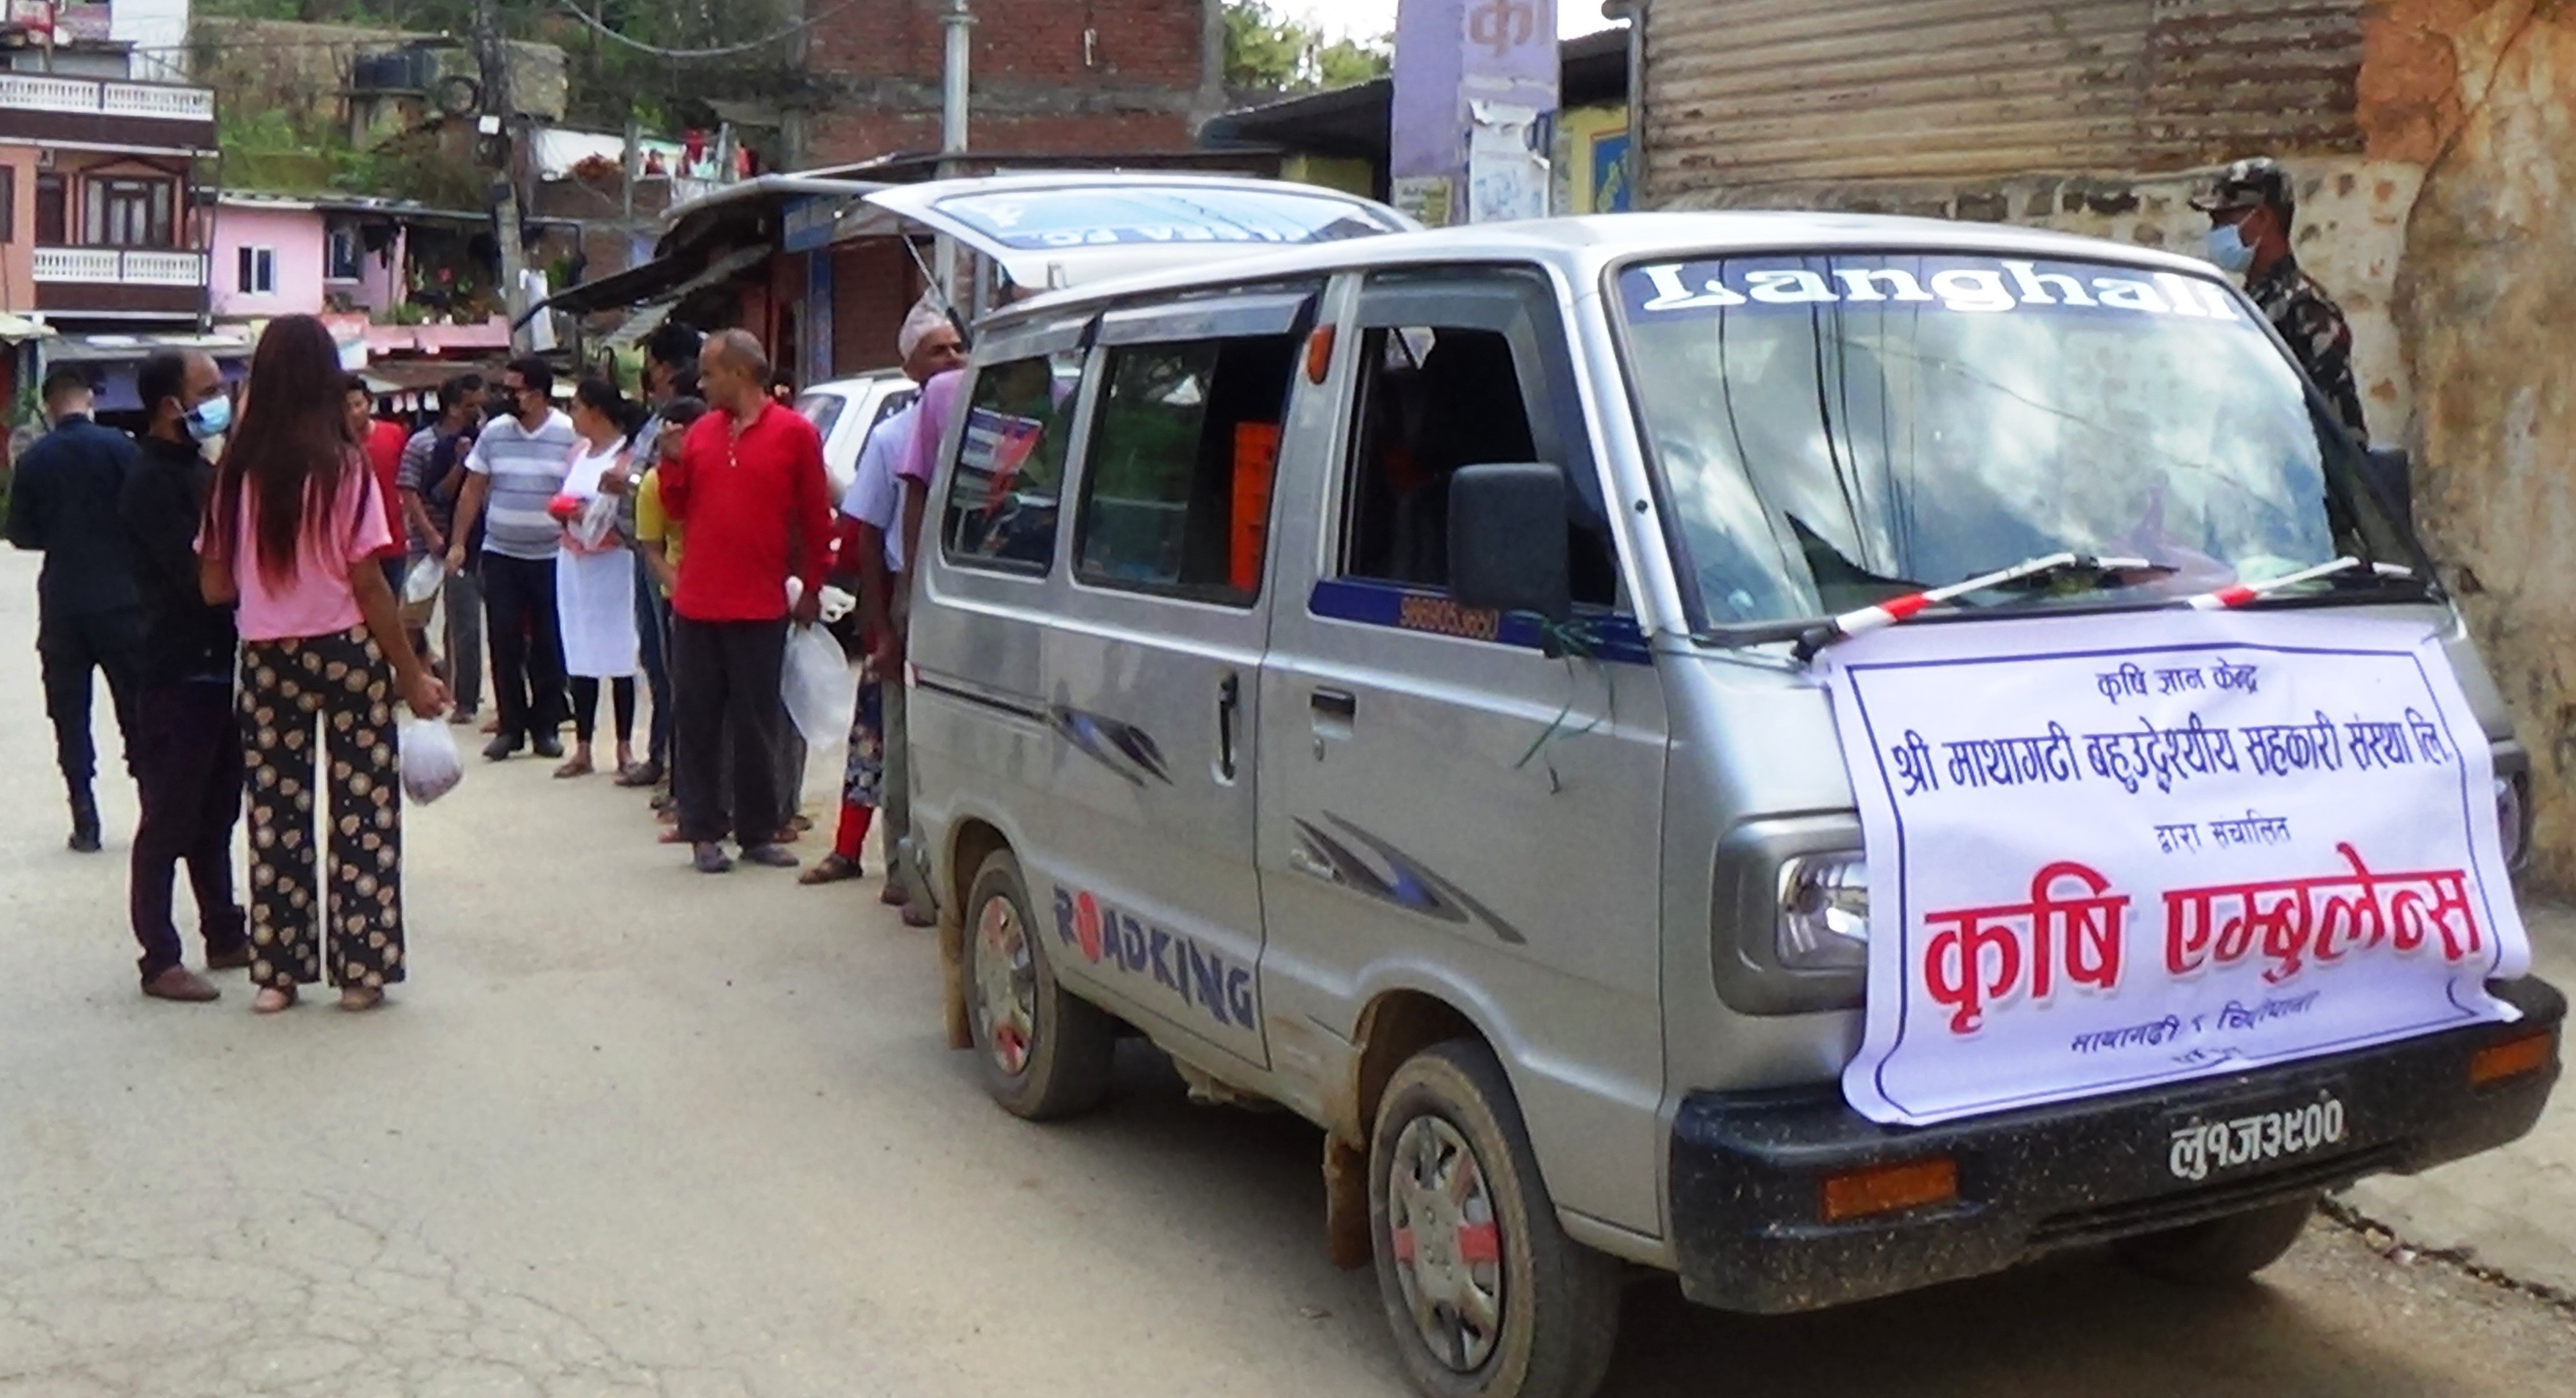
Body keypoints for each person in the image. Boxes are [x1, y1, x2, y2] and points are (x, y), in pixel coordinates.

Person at [199, 315, 448, 1014]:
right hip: (344, 654)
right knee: (362, 811)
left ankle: (277, 975)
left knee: (276, 813)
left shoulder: (232, 475)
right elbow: (367, 580)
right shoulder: (346, 468)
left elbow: (215, 585)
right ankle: (361, 973)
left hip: (266, 658)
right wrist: (409, 671)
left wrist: (270, 582)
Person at [804, 301, 965, 897]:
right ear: (910, 368)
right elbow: (868, 533)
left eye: (956, 348)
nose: (952, 360)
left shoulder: (978, 424)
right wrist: (882, 627)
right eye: (937, 351)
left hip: (959, 600)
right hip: (904, 595)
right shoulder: (893, 436)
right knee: (880, 738)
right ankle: (871, 859)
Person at [659, 330, 830, 874]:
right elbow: (679, 508)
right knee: (698, 719)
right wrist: (671, 465)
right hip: (697, 602)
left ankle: (758, 830)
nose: (702, 384)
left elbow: (813, 513)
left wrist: (812, 585)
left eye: (710, 373)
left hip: (760, 602)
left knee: (757, 722)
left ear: (740, 373)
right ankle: (703, 831)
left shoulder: (795, 434)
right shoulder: (701, 435)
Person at [117, 351, 250, 1002]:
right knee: (168, 818)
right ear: (171, 405)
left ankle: (225, 931)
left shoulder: (200, 471)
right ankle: (159, 957)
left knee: (217, 812)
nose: (218, 398)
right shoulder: (149, 482)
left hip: (221, 664)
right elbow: (197, 580)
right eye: (206, 390)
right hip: (176, 668)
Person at [7, 367, 144, 852]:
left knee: (69, 712)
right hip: (123, 600)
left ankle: (84, 815)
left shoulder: (34, 459)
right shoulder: (122, 448)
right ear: (89, 399)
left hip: (64, 602)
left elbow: (22, 534)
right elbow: (143, 513)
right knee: (136, 706)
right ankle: (152, 804)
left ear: (48, 405)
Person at [447, 356, 577, 761]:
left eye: (514, 390)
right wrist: (459, 543)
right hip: (501, 553)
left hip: (552, 555)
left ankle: (546, 727)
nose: (505, 397)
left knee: (547, 641)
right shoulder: (495, 434)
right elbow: (473, 489)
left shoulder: (568, 434)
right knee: (503, 638)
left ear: (537, 395)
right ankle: (510, 726)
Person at [2193, 156, 2368, 441]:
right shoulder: (2249, 303)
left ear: (2262, 218)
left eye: (2223, 220)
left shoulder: (2306, 308)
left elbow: (2340, 432)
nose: (2215, 232)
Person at [550, 378, 643, 780]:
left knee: (621, 649)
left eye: (577, 407)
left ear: (597, 412)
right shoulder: (577, 454)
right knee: (579, 647)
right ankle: (584, 745)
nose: (573, 416)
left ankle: (624, 746)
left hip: (613, 561)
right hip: (574, 558)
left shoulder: (627, 457)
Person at [398, 375, 486, 726]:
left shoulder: (483, 441)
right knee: (412, 618)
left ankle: (463, 696)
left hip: (464, 545)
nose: (477, 412)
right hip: (427, 545)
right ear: (452, 407)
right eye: (471, 404)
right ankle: (418, 675)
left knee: (464, 622)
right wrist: (430, 533)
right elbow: (412, 493)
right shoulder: (421, 444)